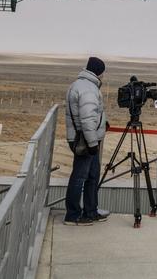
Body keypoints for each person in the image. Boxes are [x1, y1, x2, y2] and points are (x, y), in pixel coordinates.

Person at [64, 56, 110, 226]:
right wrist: (92, 144)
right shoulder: (89, 89)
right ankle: (74, 215)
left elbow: (90, 116)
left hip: (81, 138)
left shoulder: (78, 85)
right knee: (80, 177)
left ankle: (90, 211)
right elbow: (87, 119)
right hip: (85, 141)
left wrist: (102, 123)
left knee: (92, 175)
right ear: (99, 71)